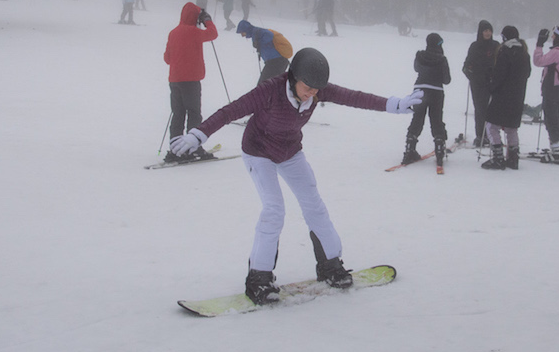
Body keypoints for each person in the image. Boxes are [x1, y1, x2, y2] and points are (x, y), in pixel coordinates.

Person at [168, 48, 423, 305]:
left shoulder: (317, 89)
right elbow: (231, 111)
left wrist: (394, 104)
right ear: (293, 77)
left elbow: (354, 97)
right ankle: (259, 280)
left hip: (290, 151)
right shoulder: (270, 90)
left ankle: (330, 266)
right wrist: (199, 134)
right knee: (274, 209)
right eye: (308, 87)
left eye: (316, 89)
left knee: (315, 205)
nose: (312, 93)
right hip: (258, 152)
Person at [163, 2, 219, 162]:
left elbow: (167, 58)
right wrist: (207, 19)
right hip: (191, 80)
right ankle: (194, 148)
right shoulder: (194, 32)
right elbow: (213, 33)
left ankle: (175, 150)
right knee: (194, 113)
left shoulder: (173, 33)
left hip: (174, 80)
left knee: (178, 114)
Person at [482, 25, 531, 170]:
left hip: (502, 95)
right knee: (511, 127)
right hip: (517, 96)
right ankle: (513, 159)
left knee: (491, 126)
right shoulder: (524, 53)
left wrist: (490, 85)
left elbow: (500, 75)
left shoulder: (505, 52)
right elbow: (527, 74)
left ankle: (498, 158)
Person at [402, 33, 452, 167]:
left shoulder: (419, 55)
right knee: (436, 120)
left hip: (419, 90)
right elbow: (447, 80)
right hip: (436, 91)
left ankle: (409, 149)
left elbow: (416, 68)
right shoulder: (442, 59)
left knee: (417, 118)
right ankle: (439, 149)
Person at [533, 25, 559, 163]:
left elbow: (538, 61)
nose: (552, 37)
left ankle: (556, 151)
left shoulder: (556, 52)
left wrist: (539, 44)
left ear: (558, 36)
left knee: (551, 119)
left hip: (552, 89)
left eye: (553, 35)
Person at [462, 20, 498, 146]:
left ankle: (493, 135)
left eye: (489, 31)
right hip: (478, 83)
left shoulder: (496, 46)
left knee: (493, 110)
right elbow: (466, 65)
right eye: (485, 31)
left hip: (493, 83)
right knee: (480, 109)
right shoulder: (475, 46)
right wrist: (472, 76)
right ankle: (480, 135)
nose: (488, 33)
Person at [236, 19, 292, 85]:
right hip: (276, 62)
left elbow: (270, 35)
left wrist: (260, 43)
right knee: (269, 86)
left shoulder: (257, 32)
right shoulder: (255, 33)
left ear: (246, 29)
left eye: (242, 32)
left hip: (276, 62)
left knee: (263, 86)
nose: (242, 35)